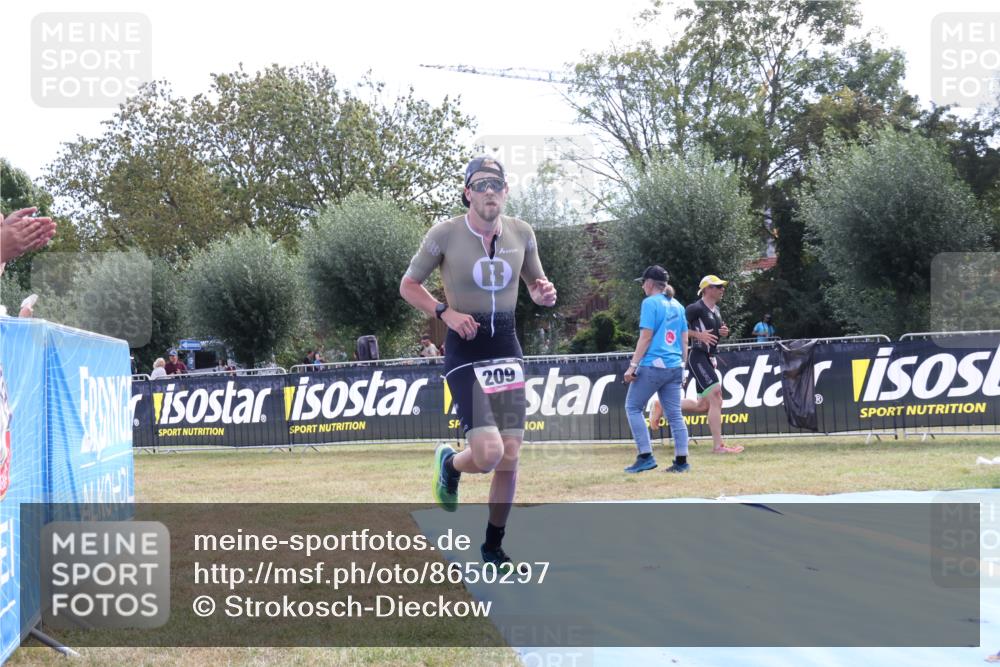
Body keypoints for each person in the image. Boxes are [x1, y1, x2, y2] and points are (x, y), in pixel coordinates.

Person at [399, 156, 557, 571]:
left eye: (497, 184)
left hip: (505, 343)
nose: (490, 191)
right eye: (481, 184)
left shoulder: (522, 233)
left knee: (510, 456)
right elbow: (408, 285)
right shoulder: (445, 233)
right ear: (468, 192)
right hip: (466, 348)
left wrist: (542, 295)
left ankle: (492, 548)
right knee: (487, 454)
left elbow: (535, 284)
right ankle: (450, 463)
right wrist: (444, 313)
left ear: (506, 191)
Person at [622, 266, 690, 473]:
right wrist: (683, 367)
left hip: (653, 364)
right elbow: (684, 340)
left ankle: (645, 456)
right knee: (675, 415)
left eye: (643, 283)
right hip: (674, 366)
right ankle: (681, 462)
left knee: (633, 407)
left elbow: (646, 337)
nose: (642, 287)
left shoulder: (650, 303)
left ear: (650, 283)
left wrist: (632, 366)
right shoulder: (678, 305)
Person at [681, 275, 744, 454]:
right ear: (707, 289)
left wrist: (723, 332)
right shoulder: (694, 308)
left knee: (703, 406)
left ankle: (663, 404)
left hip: (708, 358)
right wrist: (698, 335)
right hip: (697, 356)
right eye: (718, 286)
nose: (722, 289)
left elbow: (715, 333)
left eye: (722, 286)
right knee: (716, 396)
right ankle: (718, 447)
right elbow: (677, 329)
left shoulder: (716, 310)